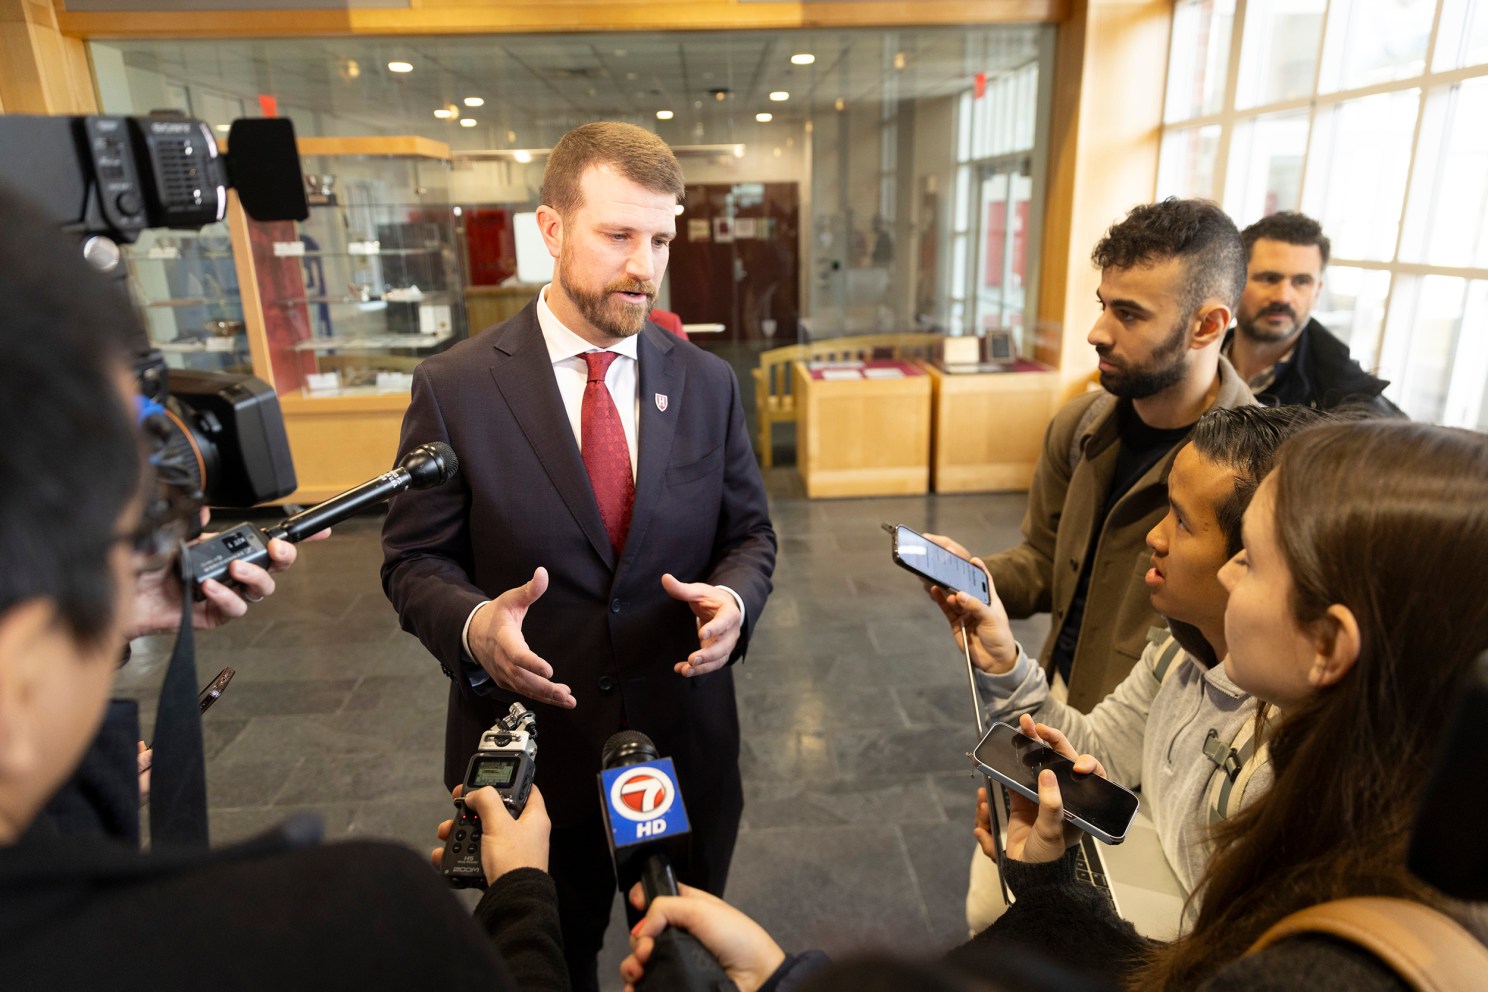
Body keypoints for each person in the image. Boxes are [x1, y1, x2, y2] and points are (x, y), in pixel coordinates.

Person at [0, 183, 563, 990]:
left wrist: (118, 614)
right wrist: (521, 899)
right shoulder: (350, 926)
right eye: (122, 538)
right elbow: (415, 562)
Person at [381, 121, 777, 990]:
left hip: (680, 746)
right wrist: (478, 625)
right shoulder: (455, 387)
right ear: (551, 230)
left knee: (685, 963)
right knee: (541, 962)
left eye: (662, 238)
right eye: (619, 235)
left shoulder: (707, 383)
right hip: (533, 768)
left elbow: (750, 535)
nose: (645, 265)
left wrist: (735, 605)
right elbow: (412, 562)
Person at [971, 419, 1488, 990]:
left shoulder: (1324, 932)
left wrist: (1047, 894)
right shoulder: (1353, 789)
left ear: (1328, 643)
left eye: (1255, 560)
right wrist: (1050, 887)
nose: (1229, 571)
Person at [938, 405, 1323, 930]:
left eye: (1183, 522)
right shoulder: (1177, 649)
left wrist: (1054, 890)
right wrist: (1006, 662)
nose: (1155, 537)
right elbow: (1106, 749)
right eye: (1166, 509)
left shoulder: (1280, 750)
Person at [930, 198, 1255, 714]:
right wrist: (973, 578)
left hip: (1159, 743)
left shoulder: (1256, 471)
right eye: (1104, 305)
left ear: (1207, 326)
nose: (1097, 332)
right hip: (1057, 696)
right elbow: (1045, 561)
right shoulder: (1079, 425)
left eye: (1128, 314)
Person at [1224, 211, 1401, 416]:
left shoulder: (1349, 400)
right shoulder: (1196, 359)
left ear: (1317, 291)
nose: (1283, 297)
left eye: (1301, 282)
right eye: (1270, 278)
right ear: (1234, 282)